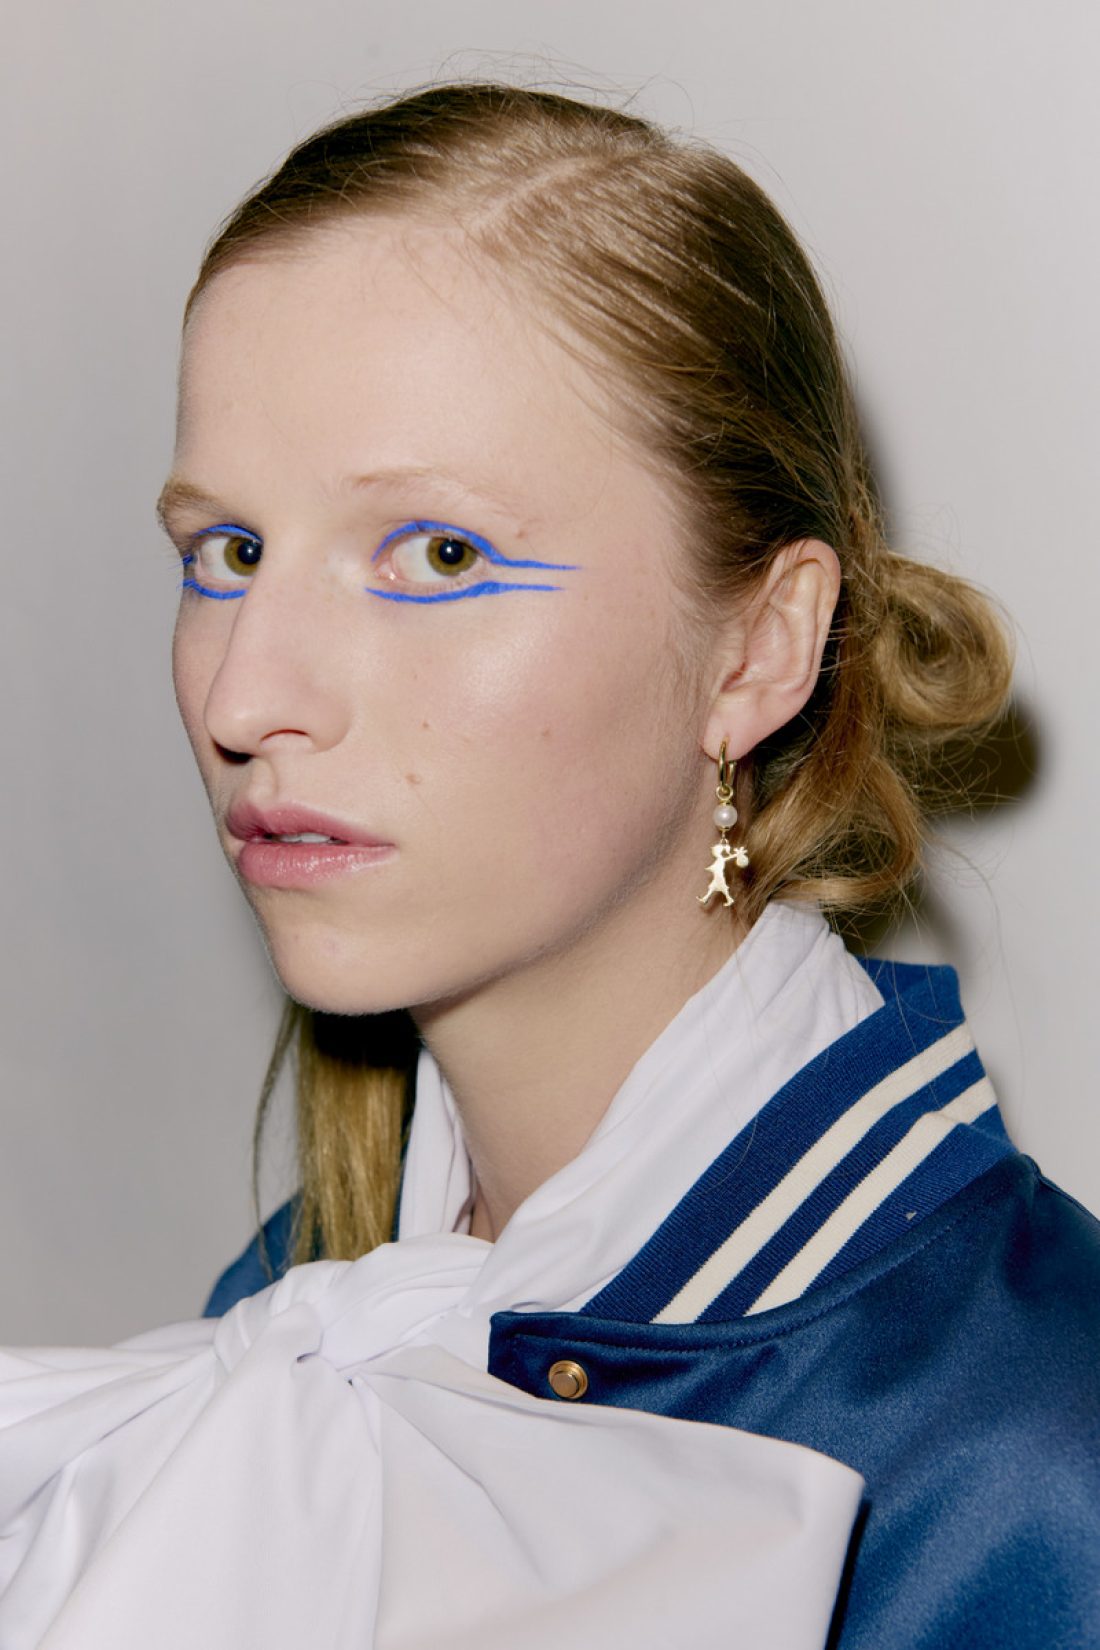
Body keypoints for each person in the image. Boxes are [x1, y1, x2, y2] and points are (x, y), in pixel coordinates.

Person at [2, 81, 1098, 1650]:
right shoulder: (303, 1314)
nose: (247, 697)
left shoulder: (1038, 1473)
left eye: (438, 555)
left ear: (757, 649)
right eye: (226, 551)